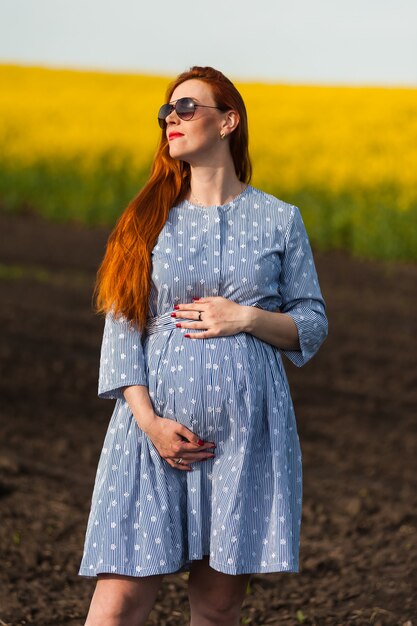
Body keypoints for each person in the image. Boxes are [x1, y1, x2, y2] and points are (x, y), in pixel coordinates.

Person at [79, 66, 328, 626]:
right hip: (152, 433)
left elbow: (311, 323)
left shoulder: (280, 220)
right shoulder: (145, 220)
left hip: (245, 439)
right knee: (120, 598)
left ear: (228, 121)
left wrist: (246, 317)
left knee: (217, 606)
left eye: (187, 108)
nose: (172, 119)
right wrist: (149, 423)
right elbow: (122, 328)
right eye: (166, 112)